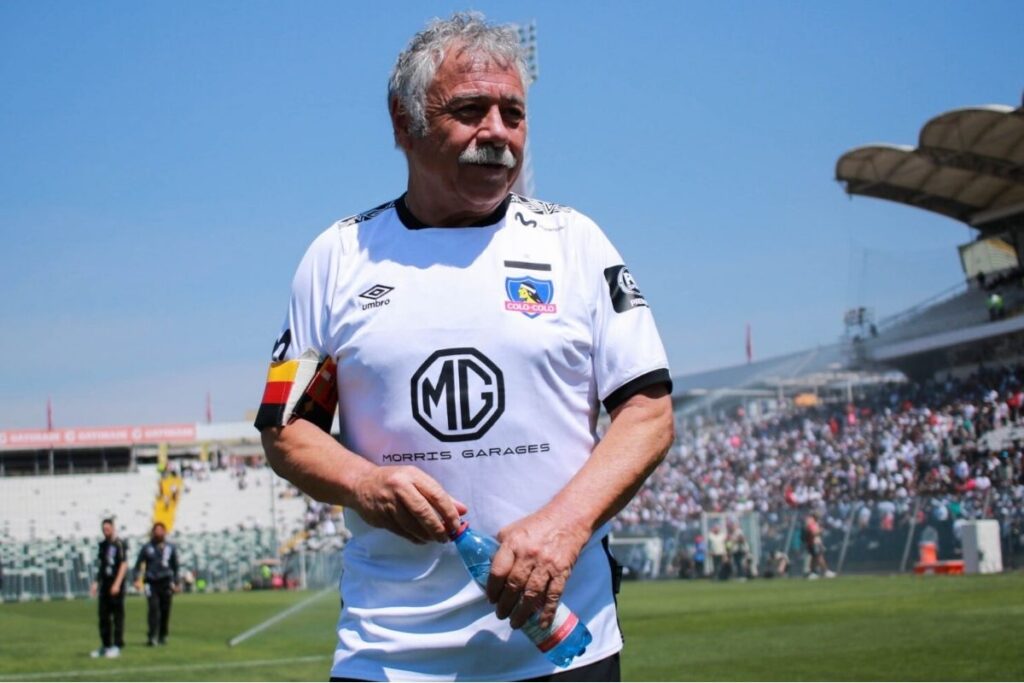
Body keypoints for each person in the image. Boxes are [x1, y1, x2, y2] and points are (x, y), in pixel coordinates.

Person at [256, 12, 673, 682]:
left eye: (513, 113)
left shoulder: (575, 244)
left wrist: (563, 528)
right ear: (403, 122)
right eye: (471, 110)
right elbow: (286, 429)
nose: (498, 135)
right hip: (388, 656)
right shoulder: (336, 259)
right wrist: (365, 482)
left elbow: (649, 413)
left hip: (563, 648)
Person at [133, 522, 180, 646]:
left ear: (164, 532)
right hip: (151, 582)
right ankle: (152, 635)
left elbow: (175, 566)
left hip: (166, 581)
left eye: (161, 530)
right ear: (153, 532)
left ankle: (163, 635)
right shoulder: (147, 547)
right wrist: (137, 579)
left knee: (165, 609)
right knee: (153, 609)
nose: (159, 532)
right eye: (156, 530)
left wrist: (176, 582)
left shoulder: (170, 547)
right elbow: (138, 564)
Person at [90, 518, 128, 658]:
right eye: (103, 529)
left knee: (117, 616)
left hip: (116, 586)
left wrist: (117, 584)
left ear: (113, 528)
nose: (105, 531)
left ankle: (117, 645)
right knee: (103, 617)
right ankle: (105, 645)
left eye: (107, 529)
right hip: (105, 586)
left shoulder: (120, 544)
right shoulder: (103, 545)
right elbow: (102, 566)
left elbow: (124, 565)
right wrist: (96, 582)